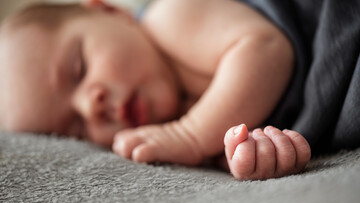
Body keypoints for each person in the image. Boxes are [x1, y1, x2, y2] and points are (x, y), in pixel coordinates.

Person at [4, 0, 358, 181]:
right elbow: (255, 133)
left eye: (79, 69)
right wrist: (257, 153)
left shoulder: (170, 18)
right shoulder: (177, 144)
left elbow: (264, 48)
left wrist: (189, 135)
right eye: (76, 128)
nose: (90, 105)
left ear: (110, 11)